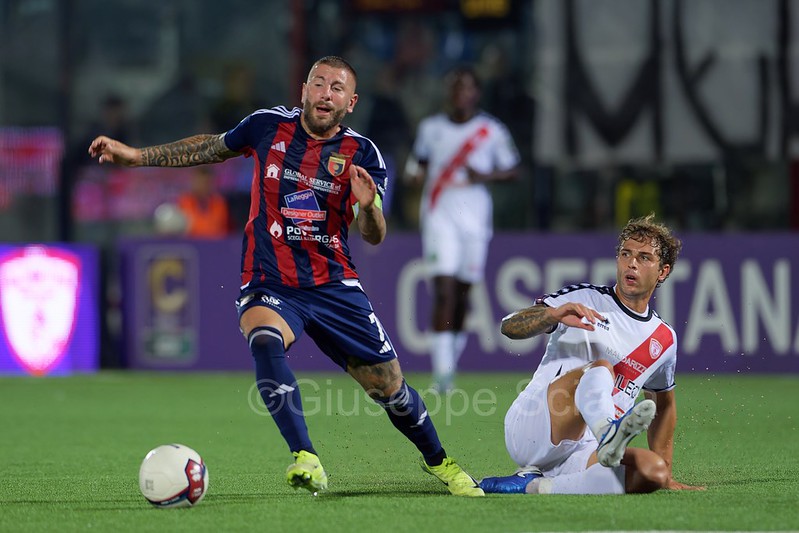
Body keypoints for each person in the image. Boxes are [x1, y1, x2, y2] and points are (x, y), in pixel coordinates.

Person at [89, 56, 483, 497]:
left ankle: (440, 462)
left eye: (337, 88)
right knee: (264, 339)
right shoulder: (267, 126)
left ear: (350, 102)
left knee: (389, 388)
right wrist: (136, 156)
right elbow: (210, 148)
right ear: (304, 90)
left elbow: (373, 235)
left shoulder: (363, 154)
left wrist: (368, 206)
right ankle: (305, 456)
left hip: (333, 284)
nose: (326, 94)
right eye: (319, 83)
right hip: (270, 278)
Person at [479, 214, 705, 495]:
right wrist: (552, 314)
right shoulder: (584, 298)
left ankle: (536, 485)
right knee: (601, 368)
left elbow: (664, 404)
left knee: (651, 472)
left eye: (644, 257)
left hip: (585, 450)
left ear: (663, 271)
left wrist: (667, 473)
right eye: (626, 254)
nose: (632, 263)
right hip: (536, 426)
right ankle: (608, 432)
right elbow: (509, 327)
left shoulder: (663, 338)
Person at [405, 66, 521, 393]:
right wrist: (412, 175)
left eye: (466, 87)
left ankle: (449, 364)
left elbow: (513, 170)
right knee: (444, 290)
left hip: (475, 218)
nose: (460, 93)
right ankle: (442, 374)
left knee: (463, 293)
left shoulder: (491, 130)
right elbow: (417, 162)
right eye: (455, 87)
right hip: (439, 215)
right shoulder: (431, 128)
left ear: (476, 93)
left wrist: (485, 176)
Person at [176, 166, 231, 238]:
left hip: (215, 243)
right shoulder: (184, 202)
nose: (202, 186)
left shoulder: (219, 203)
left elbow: (219, 230)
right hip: (190, 243)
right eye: (199, 182)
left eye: (206, 183)